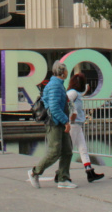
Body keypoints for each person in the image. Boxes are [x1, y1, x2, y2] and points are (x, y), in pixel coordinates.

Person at [27, 61, 76, 190]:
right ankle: (34, 172)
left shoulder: (57, 84)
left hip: (58, 122)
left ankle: (63, 178)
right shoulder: (55, 85)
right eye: (66, 70)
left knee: (67, 151)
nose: (67, 72)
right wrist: (66, 121)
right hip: (55, 123)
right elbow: (54, 107)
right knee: (54, 151)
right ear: (62, 72)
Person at [67, 73, 103, 183]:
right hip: (74, 124)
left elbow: (74, 97)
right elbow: (67, 100)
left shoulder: (75, 92)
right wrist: (73, 113)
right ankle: (61, 173)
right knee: (69, 150)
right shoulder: (73, 93)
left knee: (82, 148)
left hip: (77, 124)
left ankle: (89, 171)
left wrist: (86, 90)